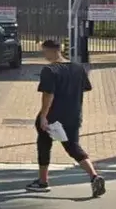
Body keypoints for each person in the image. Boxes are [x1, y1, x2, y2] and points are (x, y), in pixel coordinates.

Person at [26, 39, 106, 197]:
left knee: (44, 145)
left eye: (44, 51)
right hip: (73, 115)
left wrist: (43, 116)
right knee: (73, 147)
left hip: (53, 117)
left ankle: (43, 181)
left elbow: (48, 94)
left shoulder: (49, 70)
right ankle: (94, 176)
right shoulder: (78, 68)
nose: (44, 55)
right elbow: (85, 88)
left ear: (51, 51)